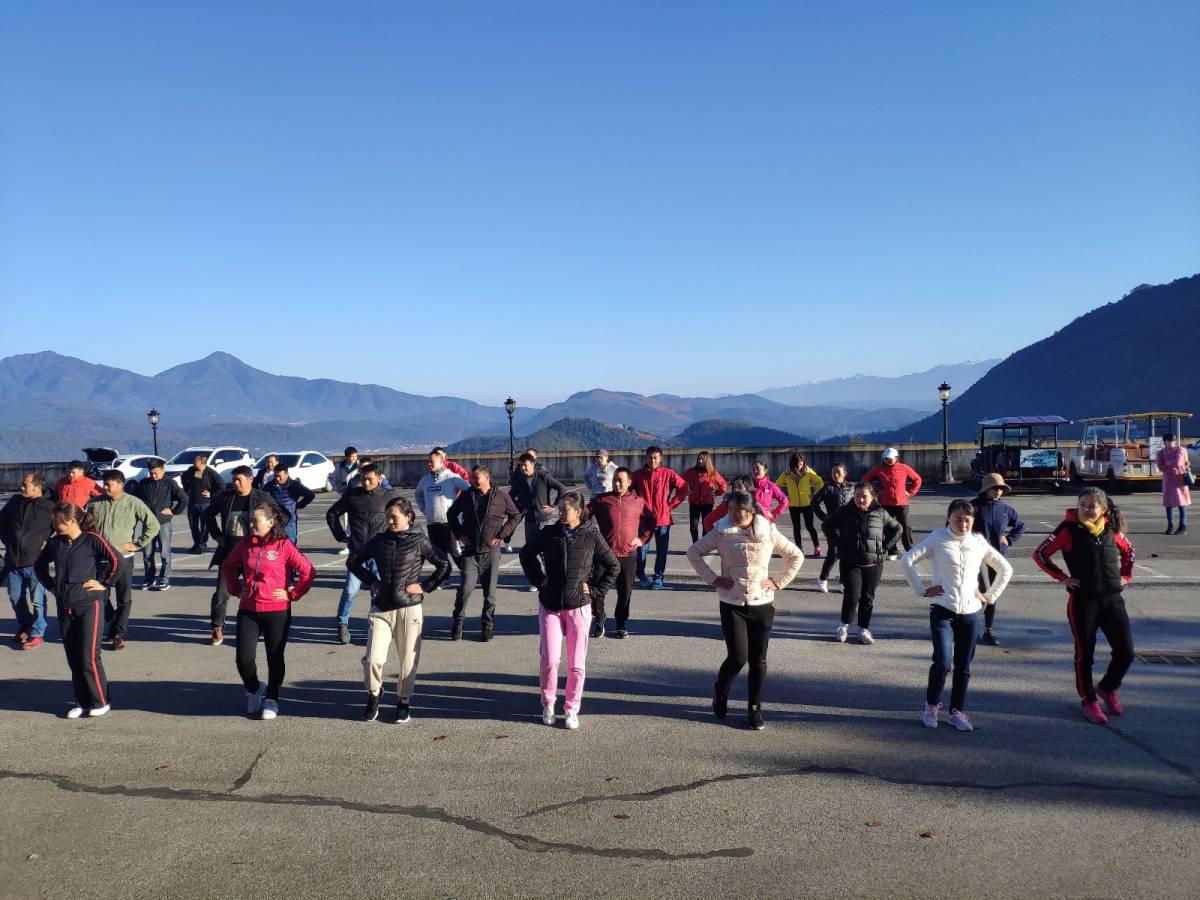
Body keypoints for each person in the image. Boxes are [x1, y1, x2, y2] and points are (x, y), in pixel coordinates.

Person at [686, 490, 804, 730]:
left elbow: (795, 556)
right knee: (738, 657)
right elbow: (693, 552)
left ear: (750, 511)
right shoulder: (721, 531)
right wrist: (713, 579)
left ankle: (754, 708)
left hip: (762, 603)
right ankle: (720, 690)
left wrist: (778, 581)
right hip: (732, 603)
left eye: (736, 511)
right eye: (729, 509)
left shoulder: (768, 530)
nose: (731, 514)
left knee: (758, 660)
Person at [900, 499, 1013, 732]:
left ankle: (956, 712)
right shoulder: (938, 538)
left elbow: (1005, 568)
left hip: (970, 612)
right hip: (943, 609)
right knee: (942, 662)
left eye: (967, 520)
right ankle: (931, 706)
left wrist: (989, 596)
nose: (963, 525)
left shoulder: (978, 542)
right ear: (948, 518)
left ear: (973, 521)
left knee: (963, 666)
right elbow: (907, 560)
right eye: (958, 519)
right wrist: (921, 590)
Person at [1033, 487, 1135, 725]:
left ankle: (1107, 688)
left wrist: (1125, 576)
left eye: (1092, 506)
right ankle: (1088, 700)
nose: (1087, 509)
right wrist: (1063, 578)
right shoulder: (1067, 529)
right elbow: (1040, 554)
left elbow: (1130, 552)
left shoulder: (1111, 528)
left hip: (1112, 600)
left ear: (1103, 509)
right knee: (1084, 654)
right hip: (1083, 601)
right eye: (1083, 505)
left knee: (1126, 652)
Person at [520, 492, 618, 730]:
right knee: (550, 659)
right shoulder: (549, 533)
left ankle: (571, 709)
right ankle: (548, 703)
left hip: (579, 606)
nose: (560, 513)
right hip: (551, 605)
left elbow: (613, 566)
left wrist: (595, 590)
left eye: (564, 509)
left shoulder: (591, 535)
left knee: (576, 663)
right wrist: (540, 580)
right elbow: (526, 554)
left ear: (578, 512)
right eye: (559, 509)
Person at [349, 496, 451, 723]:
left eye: (394, 517)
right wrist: (371, 580)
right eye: (387, 517)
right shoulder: (380, 540)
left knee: (408, 661)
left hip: (409, 608)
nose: (390, 521)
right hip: (381, 609)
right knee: (373, 659)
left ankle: (404, 701)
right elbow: (353, 561)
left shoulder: (419, 540)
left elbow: (444, 564)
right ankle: (374, 694)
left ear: (408, 517)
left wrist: (425, 586)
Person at [221, 503, 315, 721]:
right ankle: (254, 688)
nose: (251, 524)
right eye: (250, 520)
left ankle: (272, 697)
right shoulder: (245, 544)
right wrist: (236, 589)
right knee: (243, 659)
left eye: (256, 521)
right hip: (249, 608)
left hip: (276, 610)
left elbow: (308, 570)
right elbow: (227, 566)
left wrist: (293, 594)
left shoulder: (284, 545)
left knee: (275, 656)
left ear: (271, 522)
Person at [34, 503, 120, 717]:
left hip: (89, 604)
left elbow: (117, 561)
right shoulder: (55, 543)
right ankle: (82, 702)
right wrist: (53, 586)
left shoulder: (92, 539)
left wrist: (104, 583)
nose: (55, 525)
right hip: (65, 606)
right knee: (73, 657)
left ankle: (100, 701)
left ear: (72, 521)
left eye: (58, 522)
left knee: (88, 656)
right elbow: (39, 566)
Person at [206, 467, 286, 647]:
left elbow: (282, 516)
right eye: (234, 479)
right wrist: (217, 535)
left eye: (239, 479)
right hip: (230, 554)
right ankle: (217, 626)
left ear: (250, 480)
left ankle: (258, 628)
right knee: (221, 593)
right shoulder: (226, 497)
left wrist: (271, 536)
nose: (235, 483)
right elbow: (208, 514)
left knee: (258, 594)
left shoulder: (262, 497)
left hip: (255, 555)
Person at [446, 465, 521, 642]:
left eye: (476, 477)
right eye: (472, 477)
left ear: (487, 478)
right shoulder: (466, 496)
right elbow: (451, 514)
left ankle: (487, 625)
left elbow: (516, 516)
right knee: (465, 590)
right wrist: (460, 534)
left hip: (491, 553)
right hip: (470, 553)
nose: (473, 480)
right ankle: (458, 621)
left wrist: (502, 534)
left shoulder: (502, 496)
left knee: (490, 594)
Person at [86, 470, 159, 650]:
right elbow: (83, 525)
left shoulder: (134, 503)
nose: (105, 487)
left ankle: (118, 634)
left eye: (109, 484)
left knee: (124, 598)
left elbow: (153, 525)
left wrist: (137, 544)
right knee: (100, 595)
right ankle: (111, 618)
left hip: (123, 558)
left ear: (121, 485)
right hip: (100, 558)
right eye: (104, 484)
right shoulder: (94, 503)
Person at [821, 482, 901, 645]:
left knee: (867, 598)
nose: (860, 499)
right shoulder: (844, 511)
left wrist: (885, 547)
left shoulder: (880, 512)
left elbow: (898, 528)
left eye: (864, 496)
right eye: (857, 496)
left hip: (874, 563)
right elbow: (827, 525)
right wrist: (838, 543)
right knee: (852, 596)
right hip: (850, 562)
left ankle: (863, 629)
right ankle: (844, 626)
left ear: (872, 497)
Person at [326, 463, 397, 644]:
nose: (365, 482)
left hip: (380, 554)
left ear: (379, 479)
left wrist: (395, 540)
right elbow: (332, 514)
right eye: (363, 479)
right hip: (357, 554)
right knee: (350, 591)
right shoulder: (352, 496)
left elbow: (404, 516)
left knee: (378, 593)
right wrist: (341, 536)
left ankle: (377, 627)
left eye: (369, 479)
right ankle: (342, 623)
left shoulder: (389, 496)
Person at [587, 467, 655, 639]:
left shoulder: (638, 501)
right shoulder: (602, 500)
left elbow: (651, 520)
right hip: (605, 555)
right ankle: (599, 618)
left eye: (621, 481)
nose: (617, 484)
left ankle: (621, 623)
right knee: (597, 590)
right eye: (615, 480)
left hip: (628, 555)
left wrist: (642, 539)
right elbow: (583, 514)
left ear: (629, 483)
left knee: (625, 593)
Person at [0, 473, 56, 649]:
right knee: (15, 597)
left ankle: (37, 632)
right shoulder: (14, 502)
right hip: (13, 560)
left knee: (37, 599)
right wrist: (8, 541)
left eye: (25, 485)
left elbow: (63, 527)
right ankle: (25, 624)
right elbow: (1, 523)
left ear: (37, 487)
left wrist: (49, 542)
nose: (21, 487)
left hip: (35, 561)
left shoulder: (50, 506)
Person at [971, 473, 1025, 645]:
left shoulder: (1006, 509)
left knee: (992, 593)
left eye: (1001, 488)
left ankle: (988, 629)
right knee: (978, 590)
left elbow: (1020, 525)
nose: (998, 491)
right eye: (995, 488)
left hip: (997, 556)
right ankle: (969, 627)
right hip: (976, 557)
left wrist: (1010, 539)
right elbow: (954, 524)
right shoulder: (973, 506)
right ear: (986, 489)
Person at [631, 446, 689, 590]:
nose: (652, 460)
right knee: (641, 550)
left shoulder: (668, 473)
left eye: (655, 458)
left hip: (663, 519)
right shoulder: (637, 475)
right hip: (644, 520)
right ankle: (641, 574)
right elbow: (626, 490)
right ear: (646, 458)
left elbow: (683, 487)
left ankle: (658, 577)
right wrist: (634, 506)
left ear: (660, 458)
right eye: (650, 457)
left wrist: (671, 504)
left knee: (662, 551)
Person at [132, 459, 187, 592]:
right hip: (147, 524)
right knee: (147, 553)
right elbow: (134, 500)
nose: (153, 475)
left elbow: (184, 498)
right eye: (151, 473)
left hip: (163, 523)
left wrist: (173, 511)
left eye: (156, 472)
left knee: (164, 553)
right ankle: (149, 578)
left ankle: (164, 579)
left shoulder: (170, 483)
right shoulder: (144, 483)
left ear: (162, 471)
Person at [414, 449, 471, 570]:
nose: (429, 464)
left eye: (432, 461)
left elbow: (469, 490)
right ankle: (444, 576)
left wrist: (462, 509)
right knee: (439, 556)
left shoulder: (451, 477)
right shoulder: (425, 480)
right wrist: (424, 509)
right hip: (432, 524)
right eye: (428, 461)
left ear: (441, 462)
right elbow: (418, 494)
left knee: (456, 553)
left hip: (449, 524)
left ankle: (468, 574)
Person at [860, 448, 922, 555]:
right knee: (888, 527)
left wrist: (910, 492)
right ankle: (892, 549)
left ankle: (909, 547)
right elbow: (865, 480)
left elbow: (917, 479)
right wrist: (875, 491)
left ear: (896, 458)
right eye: (886, 459)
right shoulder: (879, 469)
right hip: (885, 503)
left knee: (905, 526)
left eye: (890, 459)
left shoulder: (904, 468)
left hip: (901, 503)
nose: (888, 461)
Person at [509, 451, 565, 552]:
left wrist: (554, 506)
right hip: (530, 521)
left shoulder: (542, 476)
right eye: (521, 465)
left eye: (525, 465)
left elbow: (561, 488)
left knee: (547, 550)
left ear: (533, 464)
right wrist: (520, 508)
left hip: (545, 520)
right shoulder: (520, 480)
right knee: (530, 550)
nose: (523, 468)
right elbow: (509, 497)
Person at [811, 463, 854, 592]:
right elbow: (814, 503)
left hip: (848, 526)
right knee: (834, 553)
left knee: (846, 554)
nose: (835, 475)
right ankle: (822, 579)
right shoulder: (828, 488)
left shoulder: (851, 488)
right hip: (832, 527)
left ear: (844, 473)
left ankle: (843, 582)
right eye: (833, 472)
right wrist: (825, 518)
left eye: (838, 472)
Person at [776, 453, 824, 556]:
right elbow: (776, 486)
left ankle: (817, 547)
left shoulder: (807, 471)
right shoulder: (786, 474)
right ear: (793, 464)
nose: (799, 467)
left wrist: (814, 496)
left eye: (801, 464)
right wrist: (784, 498)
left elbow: (819, 482)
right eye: (797, 465)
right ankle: (799, 547)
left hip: (807, 504)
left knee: (810, 526)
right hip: (793, 505)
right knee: (796, 527)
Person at [261, 463, 316, 545]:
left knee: (290, 546)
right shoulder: (269, 486)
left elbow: (310, 495)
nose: (277, 478)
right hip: (274, 522)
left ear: (286, 474)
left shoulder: (294, 485)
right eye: (275, 476)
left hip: (290, 522)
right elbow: (261, 500)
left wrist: (300, 505)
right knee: (274, 546)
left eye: (280, 476)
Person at [182, 453, 225, 553]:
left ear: (202, 462)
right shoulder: (191, 470)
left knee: (205, 526)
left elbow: (222, 487)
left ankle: (202, 544)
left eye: (195, 461)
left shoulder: (211, 472)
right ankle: (196, 544)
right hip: (193, 503)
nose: (193, 462)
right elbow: (183, 477)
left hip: (205, 504)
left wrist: (212, 494)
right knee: (193, 525)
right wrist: (187, 490)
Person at [684, 451, 728, 543]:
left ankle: (704, 544)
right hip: (694, 503)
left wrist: (717, 493)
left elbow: (723, 485)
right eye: (699, 459)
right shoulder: (691, 471)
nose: (700, 461)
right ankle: (695, 543)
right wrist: (686, 491)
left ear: (707, 461)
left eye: (702, 459)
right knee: (693, 526)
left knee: (706, 525)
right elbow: (680, 482)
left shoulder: (712, 472)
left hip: (707, 503)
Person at [1156, 432, 1191, 535]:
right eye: (1169, 441)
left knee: (1181, 504)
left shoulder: (1181, 450)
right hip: (1168, 480)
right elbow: (1160, 466)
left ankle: (1182, 526)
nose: (1172, 442)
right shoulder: (1161, 452)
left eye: (1173, 441)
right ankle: (1170, 526)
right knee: (1168, 504)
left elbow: (1178, 463)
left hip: (1179, 478)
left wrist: (1167, 465)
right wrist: (1169, 466)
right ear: (1165, 442)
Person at [332, 446, 359, 555]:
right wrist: (337, 488)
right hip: (346, 496)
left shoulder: (360, 466)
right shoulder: (340, 467)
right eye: (351, 457)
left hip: (358, 496)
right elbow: (332, 478)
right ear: (346, 457)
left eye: (355, 456)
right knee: (346, 521)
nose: (353, 459)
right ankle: (349, 545)